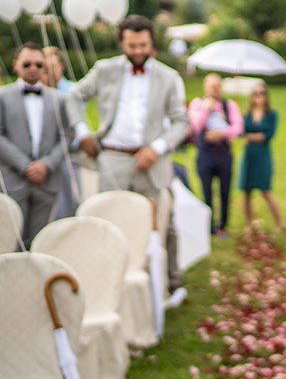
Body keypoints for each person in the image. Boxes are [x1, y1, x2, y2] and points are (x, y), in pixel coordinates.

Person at [69, 15, 188, 283]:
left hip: (152, 161)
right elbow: (74, 96)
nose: (137, 51)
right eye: (132, 46)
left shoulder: (169, 77)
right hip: (112, 158)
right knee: (108, 221)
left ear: (152, 44)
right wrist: (83, 132)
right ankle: (109, 279)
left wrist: (156, 149)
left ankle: (168, 280)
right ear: (122, 43)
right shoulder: (104, 70)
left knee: (161, 223)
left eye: (143, 45)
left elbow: (180, 121)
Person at [0, 43, 74, 246]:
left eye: (38, 65)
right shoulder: (3, 96)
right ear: (16, 65)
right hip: (13, 179)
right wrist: (25, 166)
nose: (33, 68)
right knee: (10, 239)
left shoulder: (59, 99)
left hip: (47, 180)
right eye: (27, 64)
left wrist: (46, 165)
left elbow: (67, 135)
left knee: (40, 240)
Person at [188, 73, 243, 237]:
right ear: (205, 87)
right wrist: (206, 110)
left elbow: (238, 128)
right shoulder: (197, 104)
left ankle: (223, 225)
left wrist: (222, 134)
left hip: (223, 154)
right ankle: (209, 224)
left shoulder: (229, 105)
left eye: (218, 86)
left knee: (225, 191)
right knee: (207, 191)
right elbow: (196, 127)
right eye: (212, 86)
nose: (215, 90)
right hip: (205, 154)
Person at [39, 45, 80, 219]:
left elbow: (75, 127)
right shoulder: (38, 92)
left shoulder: (73, 90)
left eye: (53, 67)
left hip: (68, 156)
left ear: (61, 66)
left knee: (71, 201)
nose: (49, 72)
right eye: (45, 68)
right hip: (42, 156)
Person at [239, 81, 284, 232]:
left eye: (262, 93)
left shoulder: (271, 114)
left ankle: (279, 223)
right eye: (256, 93)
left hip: (263, 154)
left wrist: (251, 136)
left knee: (265, 189)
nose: (258, 96)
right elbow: (240, 131)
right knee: (246, 190)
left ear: (266, 96)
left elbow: (268, 135)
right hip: (249, 155)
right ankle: (249, 223)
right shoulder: (246, 114)